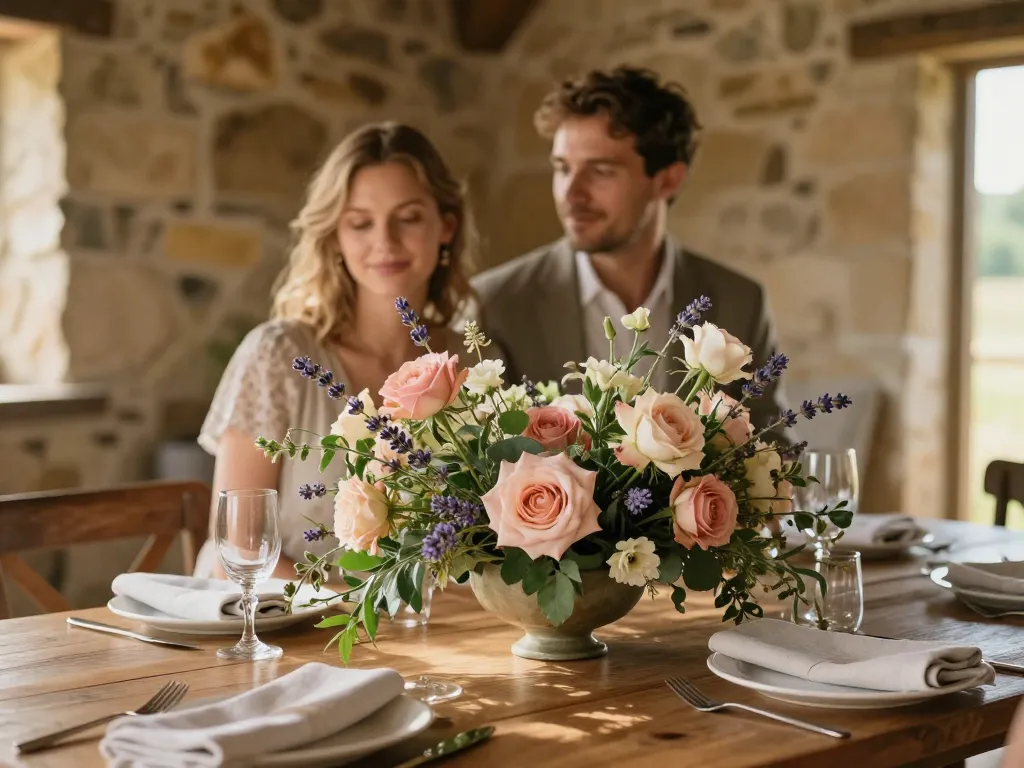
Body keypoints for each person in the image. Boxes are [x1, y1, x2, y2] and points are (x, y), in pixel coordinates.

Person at [195, 122, 475, 579]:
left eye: (407, 218)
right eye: (360, 222)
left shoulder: (476, 361)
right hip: (300, 634)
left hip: (450, 636)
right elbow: (237, 550)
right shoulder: (277, 357)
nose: (384, 241)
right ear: (335, 237)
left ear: (446, 225)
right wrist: (355, 612)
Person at [472, 66, 789, 433]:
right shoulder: (495, 305)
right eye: (562, 168)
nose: (571, 194)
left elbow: (771, 446)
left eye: (601, 170)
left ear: (668, 179)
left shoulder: (740, 301)